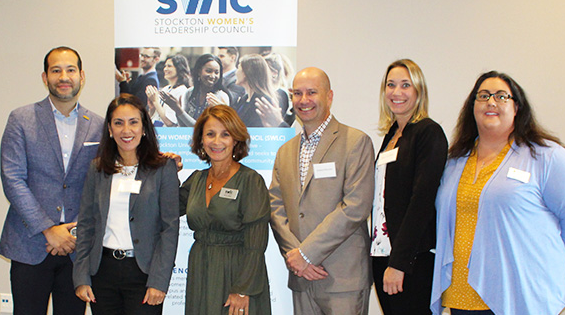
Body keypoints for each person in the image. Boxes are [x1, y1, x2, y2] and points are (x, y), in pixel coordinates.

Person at [430, 71, 565, 315]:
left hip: (517, 294)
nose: (491, 102)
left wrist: (544, 256)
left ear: (516, 107)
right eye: (483, 96)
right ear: (472, 107)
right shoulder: (455, 161)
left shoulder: (546, 156)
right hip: (461, 296)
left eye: (501, 96)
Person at [0, 47, 104, 315]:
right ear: (45, 77)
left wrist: (75, 230)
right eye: (56, 70)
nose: (63, 77)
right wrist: (48, 229)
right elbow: (13, 179)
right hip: (31, 245)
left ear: (82, 76)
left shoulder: (99, 125)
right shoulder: (21, 119)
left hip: (76, 249)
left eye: (70, 70)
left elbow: (103, 184)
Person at [268, 67, 375, 315]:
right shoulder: (285, 151)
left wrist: (306, 253)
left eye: (312, 92)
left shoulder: (355, 142)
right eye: (297, 93)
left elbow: (355, 207)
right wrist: (295, 258)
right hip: (302, 279)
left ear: (329, 96)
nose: (303, 100)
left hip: (342, 279)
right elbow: (276, 208)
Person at [73, 94, 180, 314]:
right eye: (118, 123)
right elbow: (86, 225)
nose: (126, 130)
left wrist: (159, 281)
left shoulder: (163, 168)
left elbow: (169, 229)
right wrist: (81, 276)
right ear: (110, 130)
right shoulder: (97, 168)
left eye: (133, 122)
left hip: (143, 273)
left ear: (144, 128)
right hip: (102, 272)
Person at [179, 105, 272, 315]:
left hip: (237, 273)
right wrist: (162, 169)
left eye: (225, 134)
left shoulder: (251, 181)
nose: (217, 142)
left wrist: (242, 290)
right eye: (210, 134)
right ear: (201, 139)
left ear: (235, 139)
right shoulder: (196, 180)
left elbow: (256, 243)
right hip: (201, 270)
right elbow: (165, 207)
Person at [370, 59, 446, 315]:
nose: (396, 92)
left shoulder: (428, 133)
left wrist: (400, 263)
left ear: (418, 91)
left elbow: (421, 202)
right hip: (382, 252)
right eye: (390, 85)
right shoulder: (392, 135)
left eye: (405, 85)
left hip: (410, 259)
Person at [161, 54, 230, 127]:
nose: (212, 76)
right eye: (208, 71)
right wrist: (177, 109)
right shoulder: (189, 93)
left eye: (216, 72)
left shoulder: (222, 97)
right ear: (199, 71)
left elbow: (203, 129)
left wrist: (178, 109)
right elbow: (183, 126)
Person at [231, 54, 287, 127]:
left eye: (238, 68)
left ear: (246, 73)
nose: (236, 72)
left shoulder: (263, 101)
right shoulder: (244, 99)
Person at [146, 54, 192, 127]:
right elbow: (154, 116)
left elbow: (170, 123)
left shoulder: (182, 91)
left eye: (169, 66)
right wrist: (152, 108)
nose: (165, 69)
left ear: (179, 68)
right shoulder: (166, 88)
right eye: (165, 66)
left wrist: (156, 101)